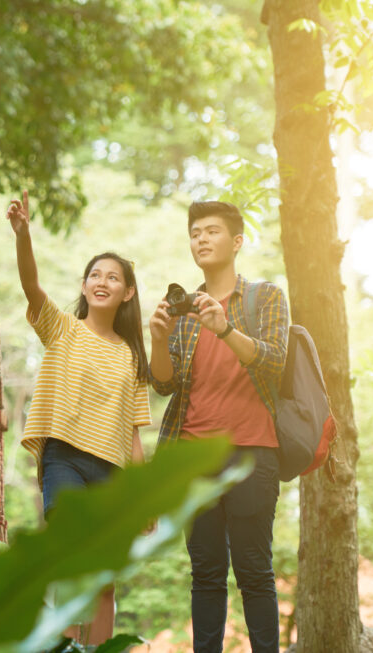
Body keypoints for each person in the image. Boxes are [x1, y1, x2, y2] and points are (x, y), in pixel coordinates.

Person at [6, 191, 151, 647]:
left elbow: (133, 434)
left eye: (113, 277)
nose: (102, 281)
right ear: (85, 285)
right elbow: (32, 286)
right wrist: (23, 235)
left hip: (111, 472)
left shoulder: (131, 356)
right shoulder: (63, 328)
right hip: (64, 460)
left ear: (127, 292)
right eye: (94, 275)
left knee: (105, 578)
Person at [148, 200, 288, 653]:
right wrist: (158, 341)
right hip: (193, 456)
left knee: (254, 571)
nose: (201, 239)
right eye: (195, 233)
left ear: (237, 241)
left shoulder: (264, 297)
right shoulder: (183, 310)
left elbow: (273, 362)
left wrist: (226, 329)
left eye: (211, 231)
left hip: (252, 451)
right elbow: (164, 384)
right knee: (205, 574)